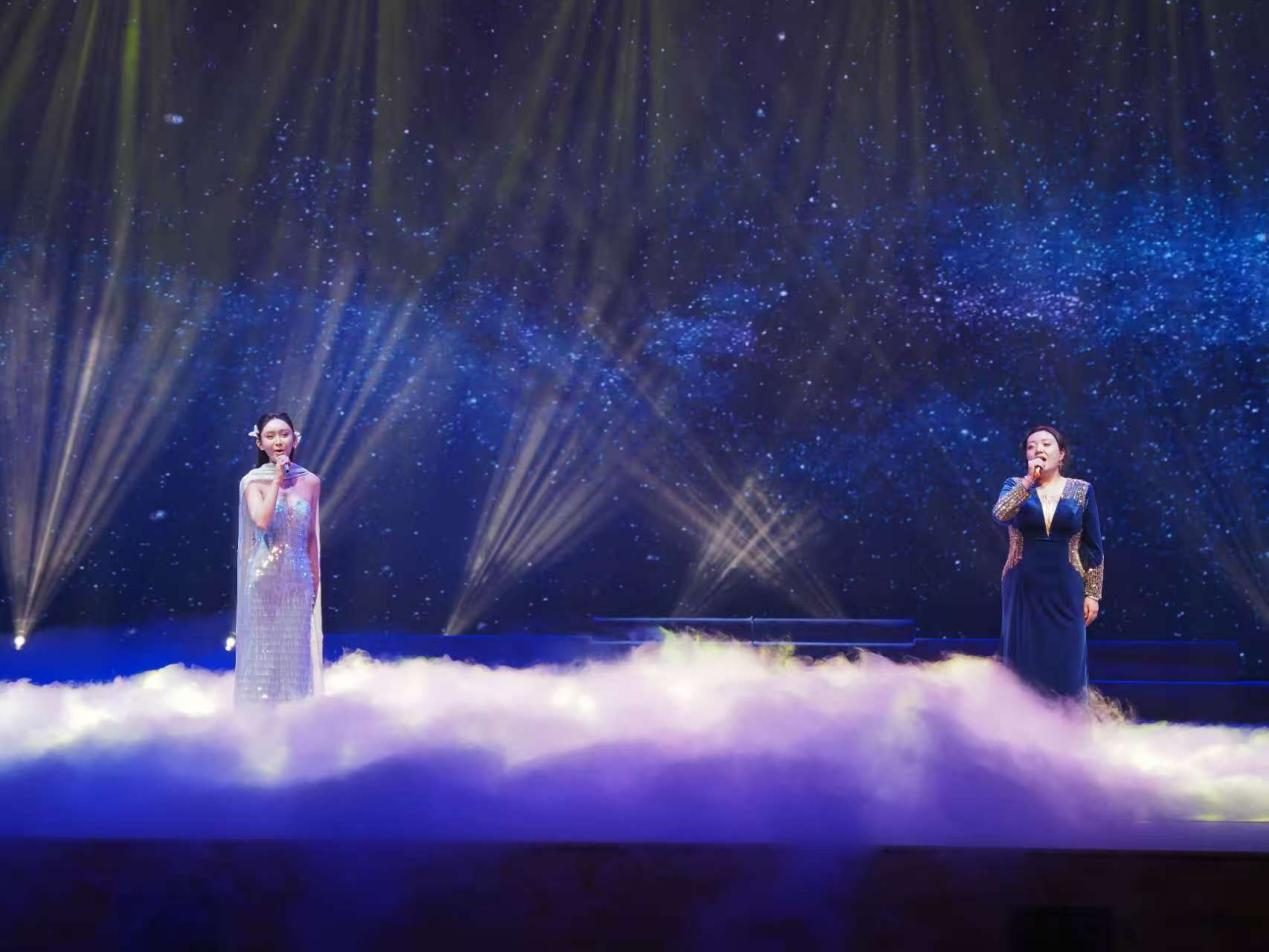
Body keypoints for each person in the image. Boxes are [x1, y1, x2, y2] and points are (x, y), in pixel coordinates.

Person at [991, 424, 1103, 699]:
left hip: (1067, 584)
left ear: (1061, 453)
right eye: (1031, 446)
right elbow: (1001, 514)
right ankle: (1021, 719)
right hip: (1023, 582)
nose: (1038, 449)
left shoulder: (1082, 490)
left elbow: (1093, 547)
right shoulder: (1015, 485)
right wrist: (1028, 481)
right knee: (1022, 657)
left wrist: (1092, 594)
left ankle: (1067, 720)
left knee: (1067, 657)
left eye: (1046, 444)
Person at [233, 412, 322, 703]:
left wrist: (314, 583)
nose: (278, 441)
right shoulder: (252, 482)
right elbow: (262, 520)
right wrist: (277, 480)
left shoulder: (310, 482)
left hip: (299, 579)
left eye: (284, 434)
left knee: (295, 656)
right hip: (264, 579)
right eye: (270, 436)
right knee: (265, 655)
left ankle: (293, 719)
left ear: (295, 439)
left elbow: (311, 537)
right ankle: (262, 718)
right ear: (260, 443)